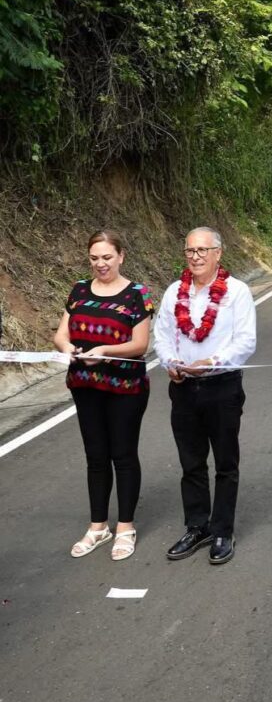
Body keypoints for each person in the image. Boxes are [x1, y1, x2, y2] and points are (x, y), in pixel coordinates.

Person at [154, 227, 257, 565]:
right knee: (191, 462)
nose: (195, 257)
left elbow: (246, 341)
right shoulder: (174, 292)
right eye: (190, 251)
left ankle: (222, 530)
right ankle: (197, 526)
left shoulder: (236, 292)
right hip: (183, 387)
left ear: (218, 254)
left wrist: (211, 362)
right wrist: (171, 362)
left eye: (202, 250)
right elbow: (162, 335)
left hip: (222, 387)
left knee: (226, 463)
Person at [54, 231, 154, 561]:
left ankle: (125, 527)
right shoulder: (79, 290)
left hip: (125, 387)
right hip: (85, 384)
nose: (101, 264)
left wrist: (104, 351)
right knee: (95, 456)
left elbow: (140, 344)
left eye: (107, 257)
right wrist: (67, 348)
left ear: (121, 256)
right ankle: (98, 526)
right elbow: (61, 334)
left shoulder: (138, 294)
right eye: (95, 258)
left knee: (123, 454)